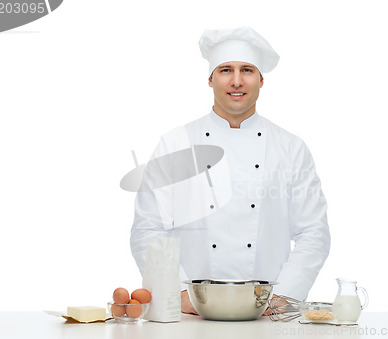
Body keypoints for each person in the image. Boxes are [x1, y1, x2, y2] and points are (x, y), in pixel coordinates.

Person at [130, 26, 330, 315]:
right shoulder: (176, 144)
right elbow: (147, 227)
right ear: (210, 80)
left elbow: (314, 231)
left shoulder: (290, 148)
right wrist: (178, 294)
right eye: (226, 70)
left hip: (267, 315)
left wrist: (284, 295)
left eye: (247, 70)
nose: (236, 81)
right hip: (192, 315)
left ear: (261, 80)